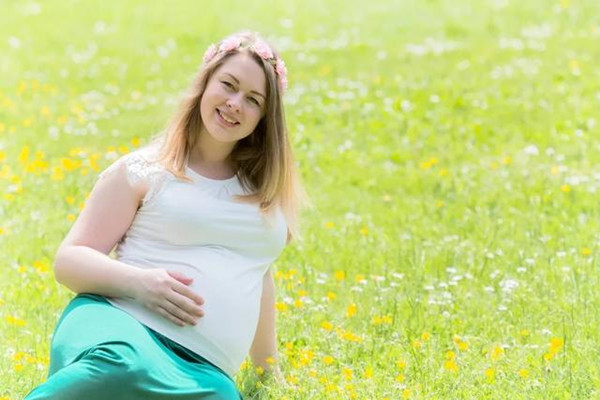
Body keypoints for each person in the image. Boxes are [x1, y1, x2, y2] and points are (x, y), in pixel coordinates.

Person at [25, 30, 305, 400]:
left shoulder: (267, 195)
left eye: (253, 99)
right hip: (122, 323)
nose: (236, 103)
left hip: (203, 370)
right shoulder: (147, 170)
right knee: (123, 366)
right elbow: (69, 261)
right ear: (205, 84)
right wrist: (140, 284)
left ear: (263, 119)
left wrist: (267, 369)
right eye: (228, 85)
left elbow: (258, 271)